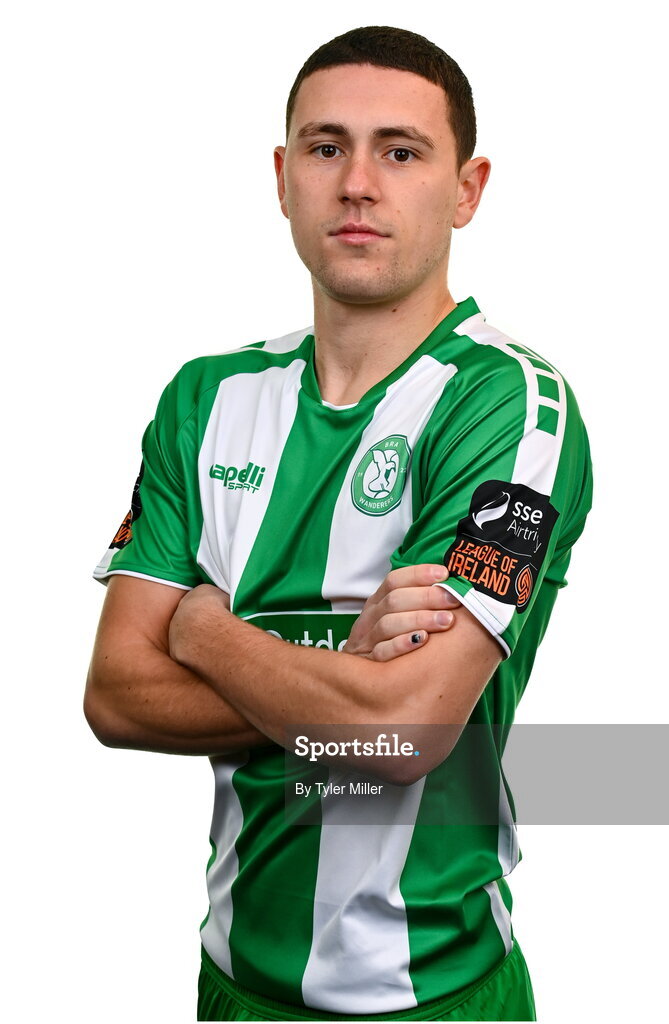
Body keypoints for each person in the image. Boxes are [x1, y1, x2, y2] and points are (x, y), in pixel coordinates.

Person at [85, 25, 592, 1022]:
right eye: (326, 148)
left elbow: (403, 735)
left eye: (400, 152)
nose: (358, 183)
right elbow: (114, 695)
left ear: (467, 189)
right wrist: (348, 688)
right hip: (234, 987)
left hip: (439, 996)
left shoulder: (514, 410)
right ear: (284, 177)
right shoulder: (205, 399)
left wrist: (203, 629)